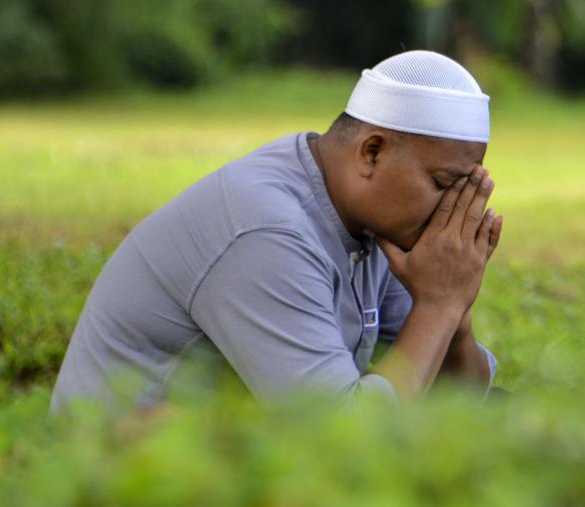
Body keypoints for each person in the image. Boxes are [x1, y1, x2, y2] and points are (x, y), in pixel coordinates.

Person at [50, 51, 504, 413]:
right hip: (121, 483)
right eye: (444, 185)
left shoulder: (377, 222)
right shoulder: (267, 230)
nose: (454, 211)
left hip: (226, 461)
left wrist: (453, 310)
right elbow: (344, 444)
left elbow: (462, 406)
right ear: (371, 153)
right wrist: (440, 303)